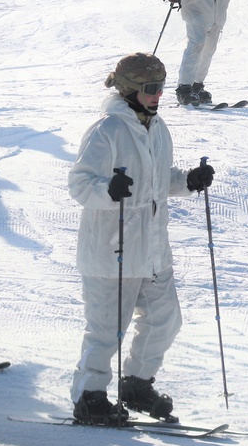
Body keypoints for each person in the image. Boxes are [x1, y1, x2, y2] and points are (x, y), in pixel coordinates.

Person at [68, 52, 215, 424]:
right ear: (131, 89)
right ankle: (89, 396)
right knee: (106, 330)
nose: (159, 94)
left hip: (151, 249)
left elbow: (158, 181)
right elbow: (80, 183)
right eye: (151, 88)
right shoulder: (107, 129)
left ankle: (135, 383)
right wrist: (109, 190)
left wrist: (187, 181)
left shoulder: (158, 127)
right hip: (111, 249)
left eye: (162, 87)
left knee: (166, 319)